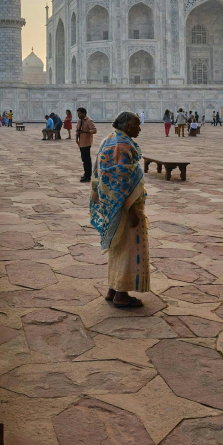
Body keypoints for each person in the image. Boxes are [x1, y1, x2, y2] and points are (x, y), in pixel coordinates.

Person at [89, 112, 149, 308]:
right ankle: (121, 294)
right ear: (127, 125)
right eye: (136, 125)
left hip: (110, 204)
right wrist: (131, 211)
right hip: (125, 207)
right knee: (129, 249)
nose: (139, 129)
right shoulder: (121, 145)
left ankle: (113, 288)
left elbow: (99, 172)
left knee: (118, 247)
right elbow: (121, 183)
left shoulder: (109, 138)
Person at [76, 107, 98, 182]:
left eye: (79, 113)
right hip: (81, 142)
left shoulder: (89, 120)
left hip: (86, 142)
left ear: (83, 113)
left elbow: (94, 130)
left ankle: (88, 175)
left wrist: (86, 131)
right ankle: (86, 174)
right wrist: (76, 138)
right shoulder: (79, 121)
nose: (78, 115)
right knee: (84, 159)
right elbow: (77, 129)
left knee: (87, 160)